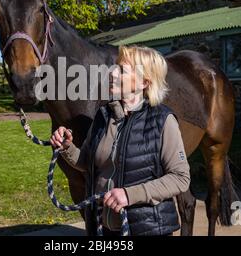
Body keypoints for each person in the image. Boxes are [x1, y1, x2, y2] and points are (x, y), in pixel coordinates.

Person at [50, 45, 190, 236]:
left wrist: (129, 195)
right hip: (103, 228)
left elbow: (180, 178)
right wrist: (67, 148)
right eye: (116, 66)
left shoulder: (163, 120)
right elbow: (87, 163)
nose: (113, 72)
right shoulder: (103, 115)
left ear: (144, 82)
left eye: (122, 70)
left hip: (146, 229)